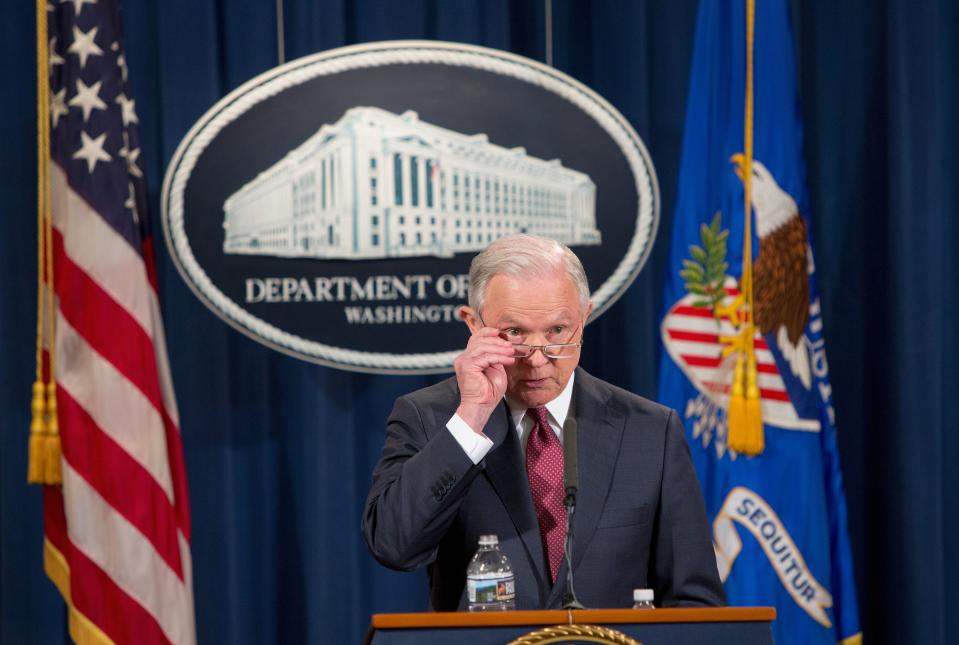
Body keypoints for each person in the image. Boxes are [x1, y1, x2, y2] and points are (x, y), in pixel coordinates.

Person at [362, 234, 725, 610]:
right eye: (515, 333)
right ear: (473, 324)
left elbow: (694, 600)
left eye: (556, 331)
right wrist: (471, 416)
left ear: (584, 319)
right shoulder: (431, 418)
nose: (537, 359)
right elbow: (393, 546)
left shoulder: (650, 431)